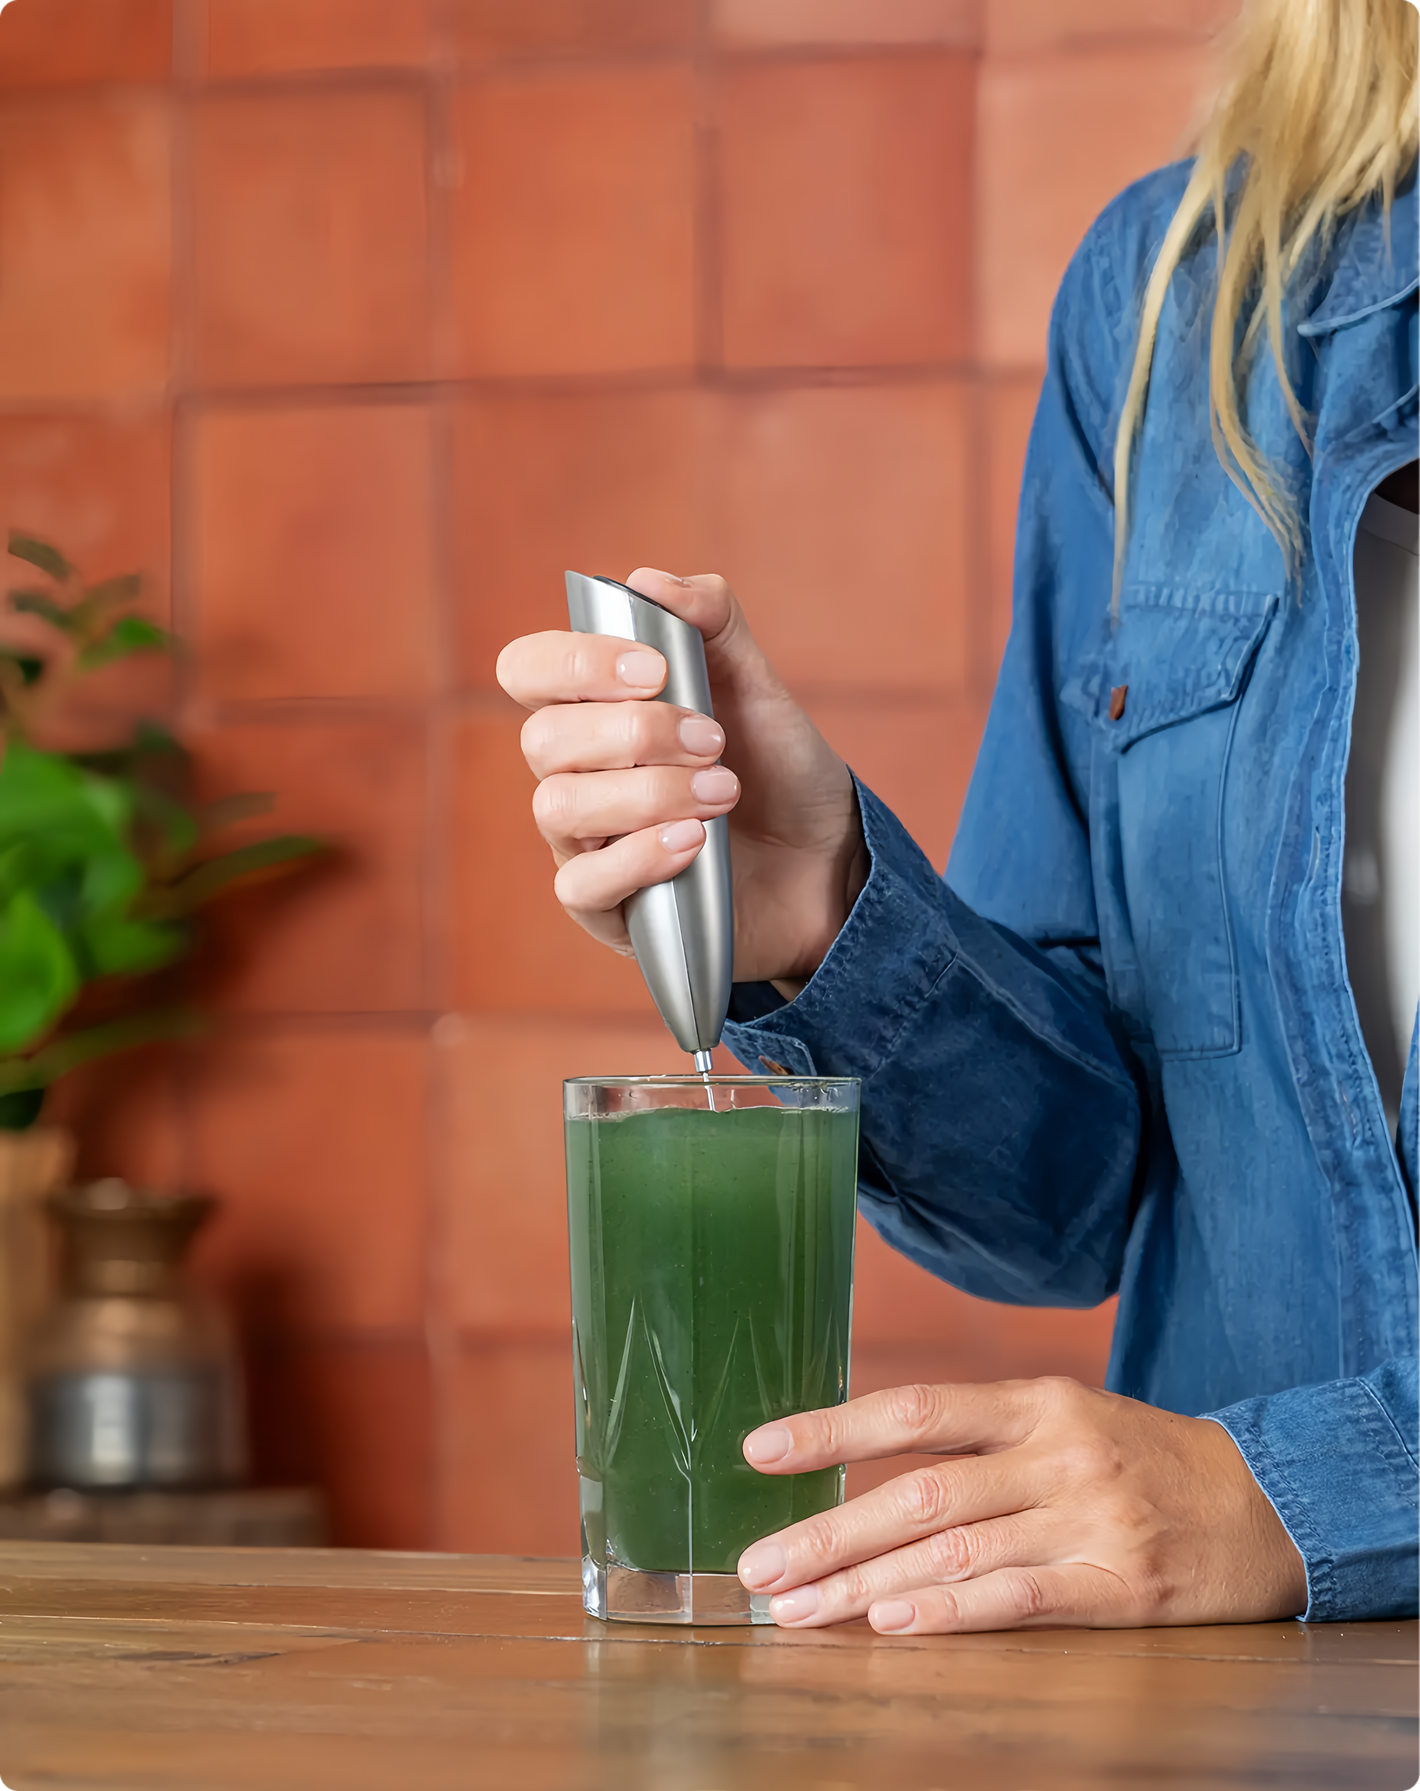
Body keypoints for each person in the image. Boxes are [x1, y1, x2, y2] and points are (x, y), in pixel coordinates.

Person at [497, 0, 1419, 1632]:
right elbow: (1072, 1201)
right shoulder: (1181, 295)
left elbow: (1251, 1495)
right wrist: (824, 916)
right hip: (1248, 1720)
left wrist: (1300, 1494)